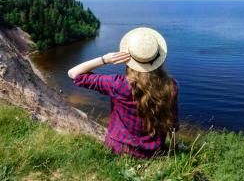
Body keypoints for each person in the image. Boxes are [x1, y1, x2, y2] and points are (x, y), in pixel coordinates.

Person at [67, 27, 179, 159]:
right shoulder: (170, 86)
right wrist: (174, 150)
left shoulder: (118, 84)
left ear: (128, 58)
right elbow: (173, 124)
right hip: (152, 153)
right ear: (158, 59)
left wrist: (105, 59)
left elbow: (74, 74)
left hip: (118, 150)